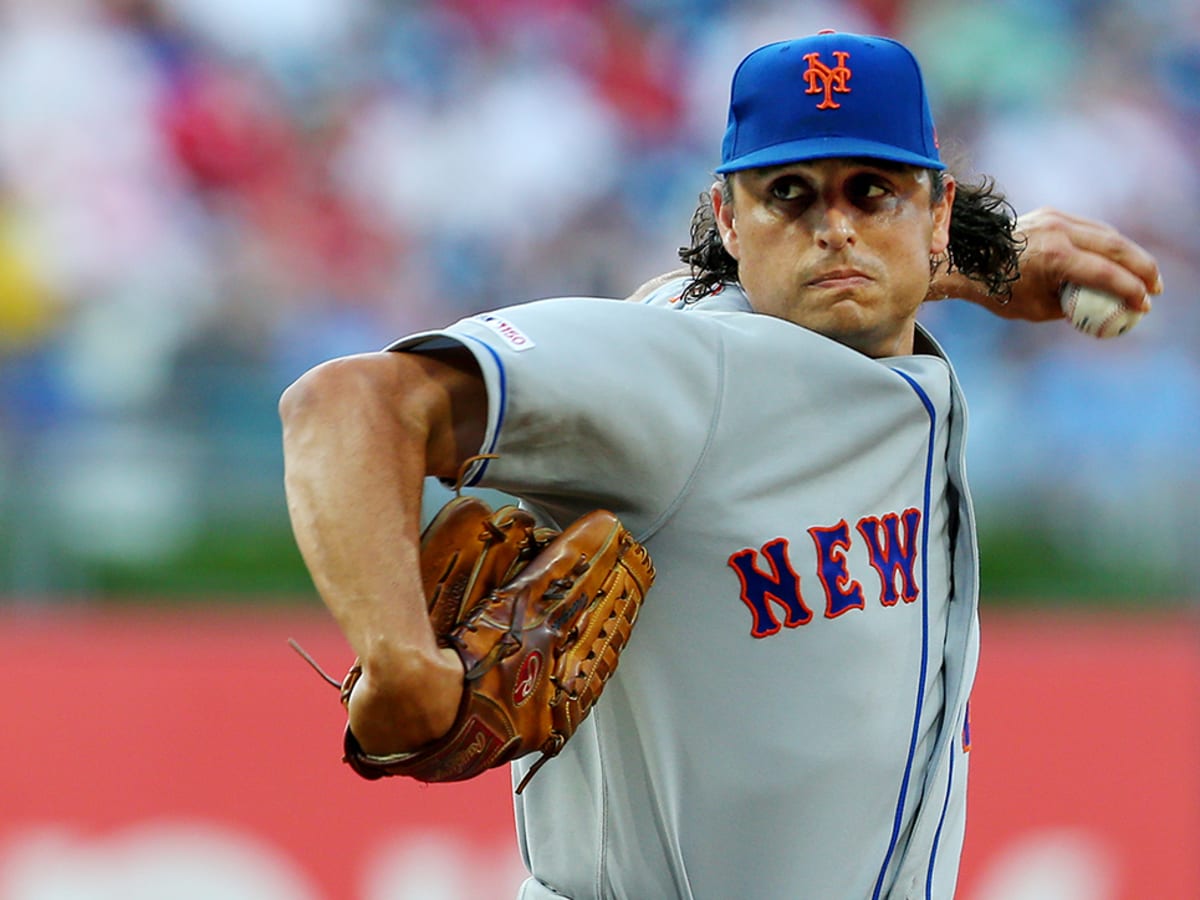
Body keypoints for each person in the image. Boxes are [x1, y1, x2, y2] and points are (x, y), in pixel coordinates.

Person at [280, 31, 1162, 900]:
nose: (835, 228)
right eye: (791, 193)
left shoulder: (864, 352)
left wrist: (985, 263)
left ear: (936, 213)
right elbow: (349, 402)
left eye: (874, 191)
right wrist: (396, 657)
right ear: (731, 220)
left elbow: (842, 274)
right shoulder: (690, 375)